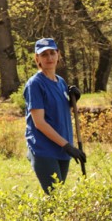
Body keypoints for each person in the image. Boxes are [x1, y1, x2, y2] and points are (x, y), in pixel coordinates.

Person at [24, 37, 85, 194]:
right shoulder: (35, 84)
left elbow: (58, 111)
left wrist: (72, 100)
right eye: (44, 54)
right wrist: (67, 146)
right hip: (44, 149)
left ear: (59, 55)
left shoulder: (61, 82)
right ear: (37, 58)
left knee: (57, 201)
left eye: (52, 53)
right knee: (55, 197)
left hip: (62, 148)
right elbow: (39, 123)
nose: (49, 58)